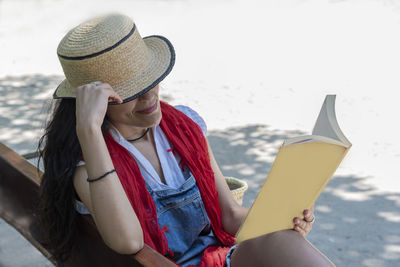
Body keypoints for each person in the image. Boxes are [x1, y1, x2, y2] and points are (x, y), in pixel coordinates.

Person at [38, 13, 334, 266]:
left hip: (217, 256)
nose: (149, 95)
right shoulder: (91, 163)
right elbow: (128, 242)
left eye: (150, 79)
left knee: (284, 240)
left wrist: (281, 221)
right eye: (127, 91)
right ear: (97, 106)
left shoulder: (184, 126)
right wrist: (88, 130)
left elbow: (229, 215)